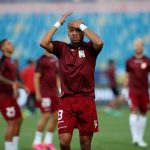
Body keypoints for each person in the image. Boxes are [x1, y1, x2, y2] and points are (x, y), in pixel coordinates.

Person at [40, 12, 103, 150]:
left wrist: (81, 25)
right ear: (68, 33)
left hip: (86, 100)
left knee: (85, 144)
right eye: (71, 30)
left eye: (77, 30)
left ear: (83, 32)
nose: (74, 33)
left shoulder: (90, 49)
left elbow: (99, 42)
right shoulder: (62, 48)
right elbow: (43, 42)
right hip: (66, 101)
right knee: (63, 142)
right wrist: (58, 23)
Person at [0, 39, 25, 150]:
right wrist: (12, 84)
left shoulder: (11, 62)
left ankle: (14, 147)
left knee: (19, 119)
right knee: (11, 122)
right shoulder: (3, 61)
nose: (12, 45)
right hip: (4, 96)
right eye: (8, 44)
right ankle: (9, 148)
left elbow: (14, 80)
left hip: (11, 96)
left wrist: (23, 87)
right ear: (2, 47)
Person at [32, 51, 60, 150]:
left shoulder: (55, 60)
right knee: (46, 115)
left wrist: (60, 90)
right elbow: (36, 77)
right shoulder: (41, 60)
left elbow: (57, 77)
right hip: (45, 92)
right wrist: (37, 93)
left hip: (54, 93)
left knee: (56, 116)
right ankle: (36, 142)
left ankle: (47, 142)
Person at [125, 38, 150, 147]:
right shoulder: (129, 61)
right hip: (133, 91)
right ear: (134, 47)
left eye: (140, 45)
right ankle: (135, 138)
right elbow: (127, 76)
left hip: (144, 91)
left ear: (143, 47)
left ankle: (140, 138)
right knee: (134, 111)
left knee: (144, 113)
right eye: (136, 45)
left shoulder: (148, 61)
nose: (138, 47)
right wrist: (124, 90)